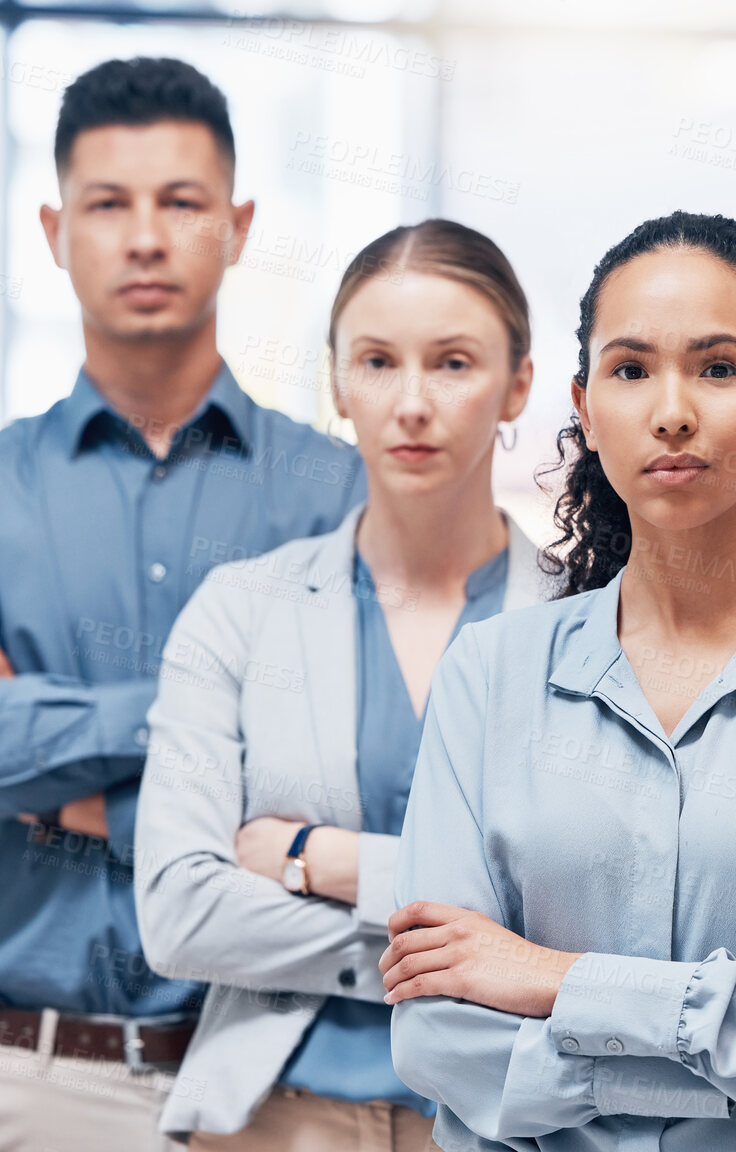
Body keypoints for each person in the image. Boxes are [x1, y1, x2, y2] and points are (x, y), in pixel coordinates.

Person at [376, 211, 736, 1152]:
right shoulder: (489, 674)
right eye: (630, 370)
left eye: (719, 367)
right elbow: (439, 1034)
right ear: (583, 405)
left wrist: (545, 977)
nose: (671, 411)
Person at [0, 57, 364, 1151]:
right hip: (27, 1084)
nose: (144, 237)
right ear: (52, 229)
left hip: (285, 1084)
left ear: (237, 225)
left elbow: (369, 783)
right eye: (107, 204)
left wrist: (40, 774)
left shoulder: (343, 495)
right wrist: (214, 723)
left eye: (181, 203)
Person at [134, 219, 546, 1152]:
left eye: (452, 363)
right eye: (376, 361)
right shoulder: (240, 611)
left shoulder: (595, 622)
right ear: (336, 384)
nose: (411, 403)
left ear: (516, 383)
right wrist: (481, 952)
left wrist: (323, 862)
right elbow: (180, 912)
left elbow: (603, 919)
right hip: (278, 1121)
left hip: (516, 1121)